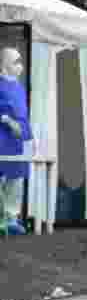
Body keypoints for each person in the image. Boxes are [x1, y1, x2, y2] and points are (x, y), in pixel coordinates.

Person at [0, 47, 31, 235]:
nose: (20, 65)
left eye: (20, 61)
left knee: (16, 181)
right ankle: (2, 219)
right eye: (15, 61)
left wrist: (28, 135)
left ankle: (12, 218)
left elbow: (23, 115)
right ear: (4, 65)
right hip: (2, 138)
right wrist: (6, 120)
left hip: (18, 141)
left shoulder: (19, 87)